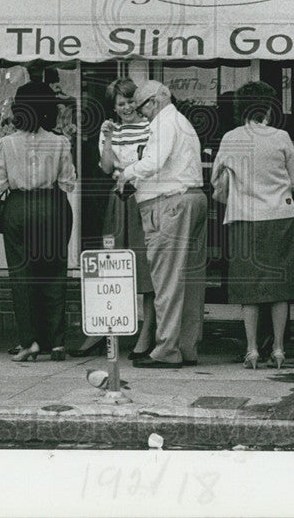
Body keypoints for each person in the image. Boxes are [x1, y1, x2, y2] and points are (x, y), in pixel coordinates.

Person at [211, 81, 294, 370]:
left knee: (247, 288)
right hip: (280, 216)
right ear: (269, 107)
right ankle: (278, 348)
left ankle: (251, 349)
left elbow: (216, 180)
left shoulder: (231, 138)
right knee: (281, 287)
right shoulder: (282, 137)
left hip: (244, 218)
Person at [117, 80, 207, 369]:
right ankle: (187, 346)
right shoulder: (183, 123)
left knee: (166, 278)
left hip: (168, 203)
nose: (141, 114)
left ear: (154, 101)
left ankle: (166, 349)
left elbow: (154, 161)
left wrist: (127, 173)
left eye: (142, 106)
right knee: (190, 279)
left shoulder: (162, 122)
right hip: (193, 197)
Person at [0, 82, 76, 362]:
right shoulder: (61, 142)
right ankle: (58, 342)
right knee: (54, 273)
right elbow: (68, 182)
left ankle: (30, 342)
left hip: (18, 208)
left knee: (22, 276)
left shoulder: (5, 143)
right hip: (53, 206)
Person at [98, 77, 156, 359]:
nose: (127, 107)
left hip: (145, 197)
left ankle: (148, 332)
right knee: (116, 265)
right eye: (121, 103)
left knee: (146, 266)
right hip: (119, 200)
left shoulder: (150, 127)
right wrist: (108, 137)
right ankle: (114, 330)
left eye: (131, 101)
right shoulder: (111, 130)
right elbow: (107, 166)